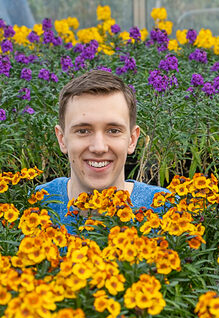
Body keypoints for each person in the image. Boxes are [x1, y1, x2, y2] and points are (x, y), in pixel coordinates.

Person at [37, 69, 168, 230]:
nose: (99, 147)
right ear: (62, 139)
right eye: (83, 131)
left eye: (113, 131)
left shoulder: (167, 209)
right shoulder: (33, 205)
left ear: (132, 140)